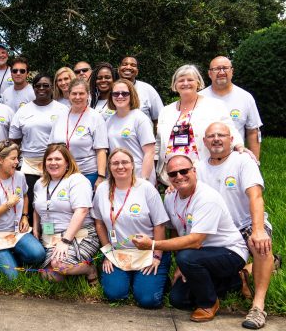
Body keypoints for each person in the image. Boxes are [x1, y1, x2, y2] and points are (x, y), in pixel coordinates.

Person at [133, 155, 248, 323]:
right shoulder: (170, 197)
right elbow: (174, 230)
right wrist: (183, 267)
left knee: (186, 257)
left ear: (194, 171)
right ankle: (236, 280)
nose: (179, 176)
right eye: (173, 174)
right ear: (168, 178)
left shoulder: (207, 197)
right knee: (178, 299)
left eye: (184, 171)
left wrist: (153, 245)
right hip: (199, 255)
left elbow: (195, 241)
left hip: (229, 252)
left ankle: (208, 304)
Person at [198, 123, 274, 329]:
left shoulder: (243, 161)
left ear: (231, 139)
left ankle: (258, 306)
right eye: (211, 136)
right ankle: (244, 272)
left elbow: (255, 196)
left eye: (221, 135)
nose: (216, 139)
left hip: (244, 223)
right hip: (217, 229)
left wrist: (258, 230)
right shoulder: (198, 167)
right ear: (204, 142)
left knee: (261, 245)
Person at [92, 149, 170, 308]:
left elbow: (159, 225)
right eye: (115, 163)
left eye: (125, 162)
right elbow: (99, 223)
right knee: (115, 294)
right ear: (109, 167)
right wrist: (108, 253)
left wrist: (157, 256)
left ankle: (153, 278)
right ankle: (134, 278)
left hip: (147, 252)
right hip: (118, 253)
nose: (120, 166)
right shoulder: (102, 189)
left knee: (148, 300)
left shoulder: (146, 188)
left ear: (133, 165)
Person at [156, 64, 245, 185]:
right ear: (175, 85)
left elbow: (229, 129)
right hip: (172, 176)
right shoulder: (166, 111)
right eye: (181, 80)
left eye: (190, 80)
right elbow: (159, 142)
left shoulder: (214, 106)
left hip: (202, 172)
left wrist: (239, 146)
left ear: (198, 83)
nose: (185, 83)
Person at [32, 145, 99, 284]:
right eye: (49, 159)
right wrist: (36, 229)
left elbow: (82, 211)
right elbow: (37, 208)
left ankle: (90, 269)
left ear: (67, 162)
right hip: (51, 237)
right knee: (49, 276)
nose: (53, 163)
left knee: (60, 265)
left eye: (58, 159)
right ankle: (73, 269)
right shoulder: (40, 183)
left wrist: (65, 241)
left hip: (79, 235)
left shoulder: (77, 180)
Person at [0, 141, 45, 280]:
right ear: (0, 160)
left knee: (39, 254)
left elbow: (25, 196)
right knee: (13, 279)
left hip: (16, 232)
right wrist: (8, 205)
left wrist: (25, 216)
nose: (17, 162)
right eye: (13, 158)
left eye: (17, 158)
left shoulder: (19, 176)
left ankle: (13, 254)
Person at [9, 73, 68, 188]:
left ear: (52, 87)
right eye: (38, 85)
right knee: (30, 196)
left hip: (55, 163)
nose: (41, 88)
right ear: (33, 88)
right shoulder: (23, 111)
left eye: (45, 85)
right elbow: (14, 141)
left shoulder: (63, 109)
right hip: (29, 165)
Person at [199, 56, 263, 160]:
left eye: (225, 68)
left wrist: (255, 162)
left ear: (232, 71)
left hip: (236, 158)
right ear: (209, 73)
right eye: (216, 69)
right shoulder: (199, 98)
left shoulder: (246, 97)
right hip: (205, 160)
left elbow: (253, 132)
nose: (221, 72)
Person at [49, 79, 108, 188]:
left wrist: (101, 176)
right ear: (69, 95)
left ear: (88, 95)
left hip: (87, 173)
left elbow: (101, 150)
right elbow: (51, 146)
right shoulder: (60, 116)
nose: (77, 97)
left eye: (81, 93)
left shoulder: (95, 117)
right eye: (74, 93)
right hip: (62, 173)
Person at [106, 79, 156, 183]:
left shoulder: (140, 118)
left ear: (131, 95)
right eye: (116, 94)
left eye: (124, 93)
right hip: (119, 176)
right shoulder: (109, 121)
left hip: (138, 175)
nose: (120, 96)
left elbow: (150, 152)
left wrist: (144, 180)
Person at [118, 56, 163, 123]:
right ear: (118, 70)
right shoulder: (111, 89)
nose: (128, 67)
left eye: (133, 65)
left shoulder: (148, 89)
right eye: (125, 64)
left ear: (137, 72)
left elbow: (160, 119)